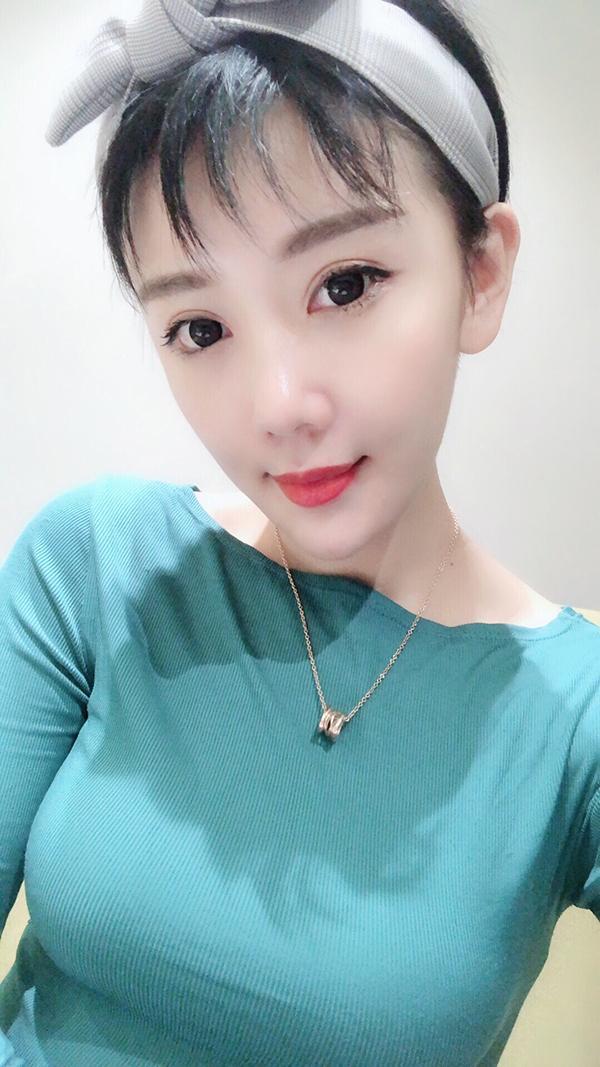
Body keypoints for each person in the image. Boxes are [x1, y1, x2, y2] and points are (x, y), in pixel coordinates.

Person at [1, 1, 599, 1064]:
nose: (278, 406)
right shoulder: (95, 564)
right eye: (200, 327)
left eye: (345, 284)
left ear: (481, 272)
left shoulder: (572, 716)